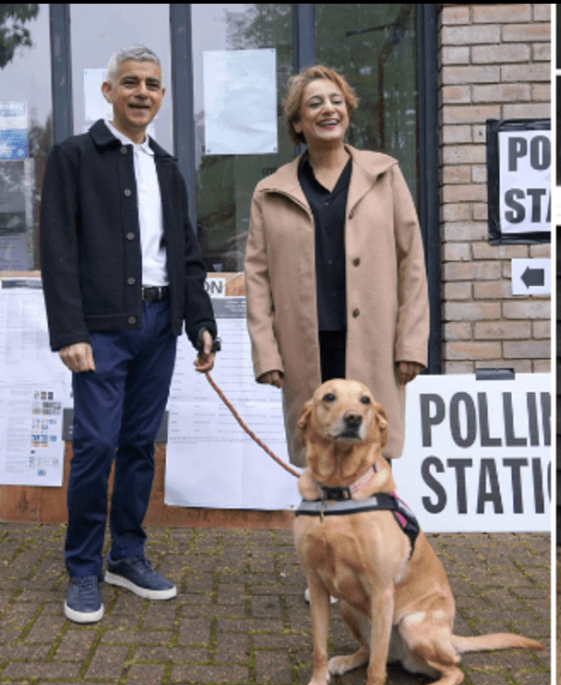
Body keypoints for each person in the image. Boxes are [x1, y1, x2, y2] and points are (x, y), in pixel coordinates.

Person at [40, 45, 218, 625]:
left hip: (159, 327)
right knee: (95, 445)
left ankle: (128, 555)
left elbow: (186, 255)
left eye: (153, 85)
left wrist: (200, 324)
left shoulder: (167, 167)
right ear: (108, 91)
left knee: (140, 445)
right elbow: (58, 251)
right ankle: (84, 568)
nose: (143, 92)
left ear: (162, 96)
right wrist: (69, 330)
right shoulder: (73, 157)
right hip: (101, 331)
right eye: (131, 83)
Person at [244, 64, 429, 471]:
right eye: (315, 103)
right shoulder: (270, 192)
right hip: (305, 347)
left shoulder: (385, 175)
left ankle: (373, 533)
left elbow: (412, 262)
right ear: (297, 122)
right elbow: (256, 278)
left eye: (336, 100)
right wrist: (266, 352)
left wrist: (411, 343)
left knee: (373, 454)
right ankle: (326, 534)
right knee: (318, 452)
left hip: (374, 343)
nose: (329, 109)